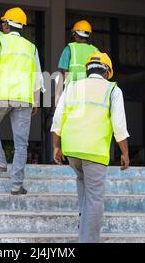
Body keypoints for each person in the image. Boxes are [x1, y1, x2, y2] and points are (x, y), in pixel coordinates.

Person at [51, 52, 130, 243]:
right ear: (107, 72)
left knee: (82, 183)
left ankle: (83, 221)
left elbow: (57, 117)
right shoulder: (112, 90)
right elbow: (119, 125)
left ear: (88, 70)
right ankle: (87, 239)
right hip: (94, 152)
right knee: (95, 199)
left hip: (72, 151)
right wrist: (125, 152)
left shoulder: (72, 86)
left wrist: (56, 146)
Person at [0, 7, 45, 196]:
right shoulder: (31, 47)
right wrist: (36, 101)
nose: (2, 25)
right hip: (24, 99)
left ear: (7, 25)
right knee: (21, 144)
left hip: (1, 95)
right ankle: (16, 186)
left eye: (3, 22)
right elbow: (38, 77)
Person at [55, 20, 99, 104]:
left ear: (76, 34)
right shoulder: (95, 51)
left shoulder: (69, 48)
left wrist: (58, 95)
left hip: (73, 92)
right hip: (90, 92)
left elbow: (63, 73)